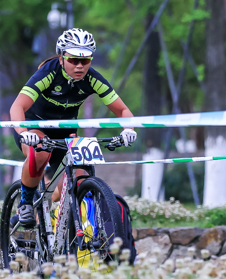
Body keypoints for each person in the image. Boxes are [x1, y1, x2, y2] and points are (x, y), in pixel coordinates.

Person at [9, 28, 137, 228]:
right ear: (61, 58)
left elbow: (122, 110)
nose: (79, 66)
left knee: (78, 181)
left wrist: (129, 129)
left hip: (66, 132)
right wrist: (24, 133)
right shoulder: (48, 73)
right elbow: (17, 106)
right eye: (73, 60)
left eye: (85, 61)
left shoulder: (92, 78)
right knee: (40, 153)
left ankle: (43, 202)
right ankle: (26, 203)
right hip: (34, 127)